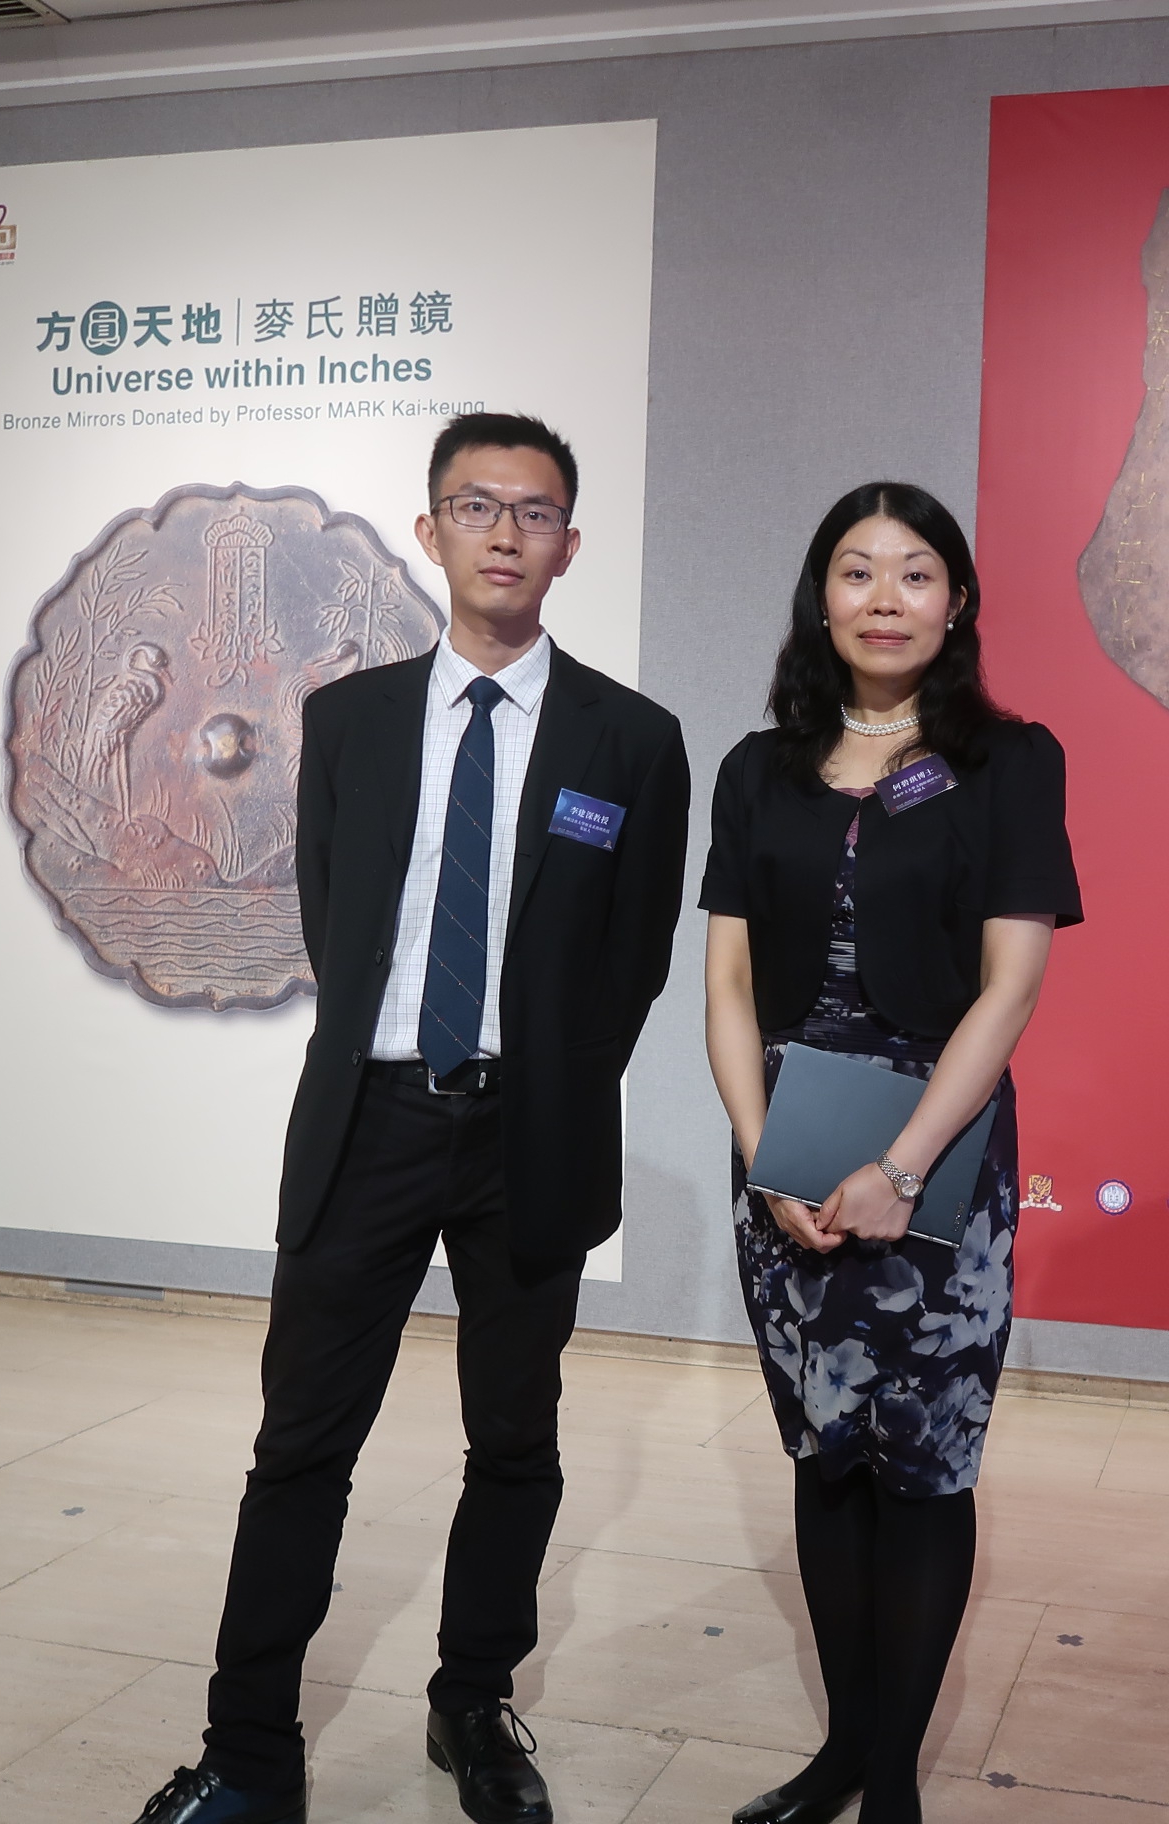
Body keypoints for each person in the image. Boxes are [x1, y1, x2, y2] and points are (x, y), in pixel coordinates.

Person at [130, 413, 692, 1824]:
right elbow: (338, 913)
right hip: (371, 1120)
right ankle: (250, 1749)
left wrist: (545, 1080)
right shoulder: (356, 719)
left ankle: (473, 1701)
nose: (507, 533)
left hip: (531, 1136)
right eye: (478, 505)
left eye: (537, 510)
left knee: (514, 1437)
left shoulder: (634, 739)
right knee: (302, 1443)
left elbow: (631, 962)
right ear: (431, 530)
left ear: (573, 543)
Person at [699, 482, 1080, 1824]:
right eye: (856, 572)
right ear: (822, 598)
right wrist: (765, 1157)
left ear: (957, 600)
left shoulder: (1010, 761)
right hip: (789, 1150)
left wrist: (903, 1166)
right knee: (824, 1451)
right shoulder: (757, 770)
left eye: (914, 573)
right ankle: (841, 1753)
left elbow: (1011, 988)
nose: (883, 597)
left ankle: (897, 1785)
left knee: (922, 1462)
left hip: (940, 1154)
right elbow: (730, 986)